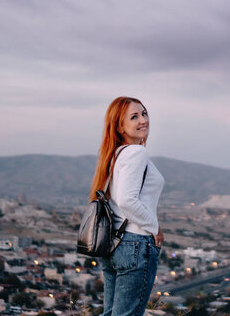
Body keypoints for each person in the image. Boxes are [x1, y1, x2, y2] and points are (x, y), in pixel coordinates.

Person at [89, 96, 165, 316]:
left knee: (111, 313)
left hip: (114, 245)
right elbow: (126, 200)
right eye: (134, 117)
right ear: (120, 126)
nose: (143, 120)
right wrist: (155, 227)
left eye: (144, 113)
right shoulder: (136, 153)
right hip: (135, 244)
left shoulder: (115, 155)